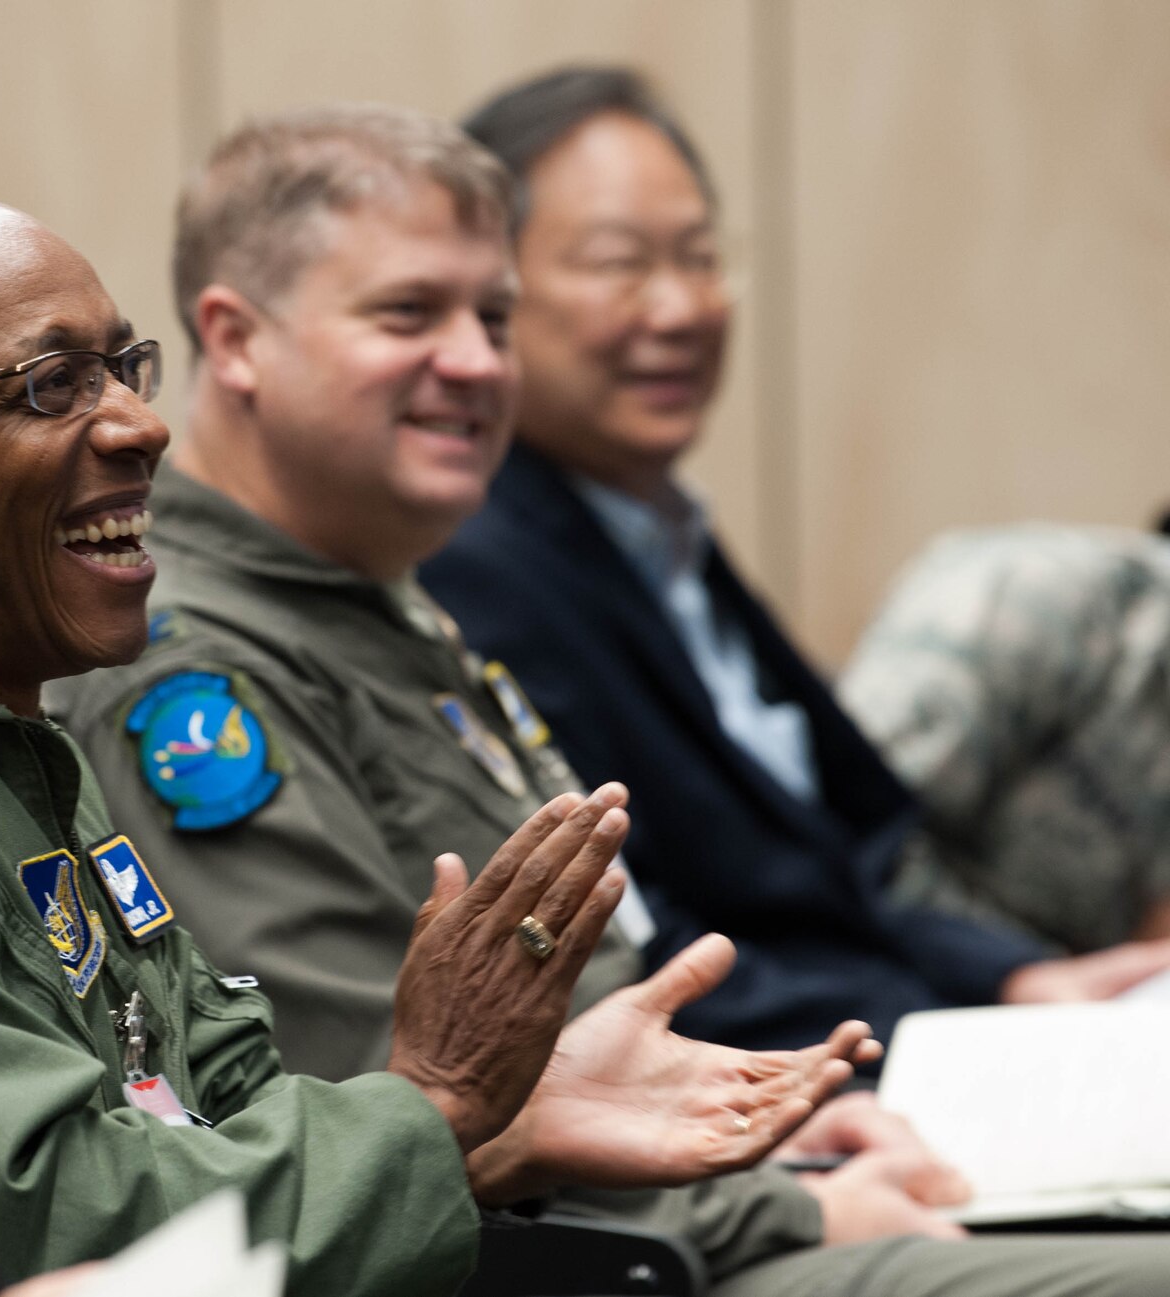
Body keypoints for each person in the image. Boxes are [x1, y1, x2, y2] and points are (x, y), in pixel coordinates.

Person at [0, 188, 868, 1297]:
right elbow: (44, 1242)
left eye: (120, 367)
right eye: (50, 385)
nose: (137, 425)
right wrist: (437, 1107)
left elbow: (215, 1096)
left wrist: (498, 1120)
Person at [50, 101, 1170, 1296]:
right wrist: (780, 1207)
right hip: (593, 1257)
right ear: (234, 339)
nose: (477, 361)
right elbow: (367, 1099)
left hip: (690, 1194)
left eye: (492, 317)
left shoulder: (380, 601)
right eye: (407, 313)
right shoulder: (192, 680)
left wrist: (765, 1124)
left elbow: (597, 1006)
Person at [417, 66, 1170, 1053]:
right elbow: (637, 944)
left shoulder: (653, 526)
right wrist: (963, 1041)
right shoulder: (481, 562)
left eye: (697, 257)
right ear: (492, 294)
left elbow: (835, 871)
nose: (680, 306)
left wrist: (1019, 981)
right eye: (619, 263)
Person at [841, 523, 1170, 953]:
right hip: (884, 977)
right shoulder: (1036, 594)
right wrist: (1016, 971)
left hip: (1049, 1000)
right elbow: (843, 831)